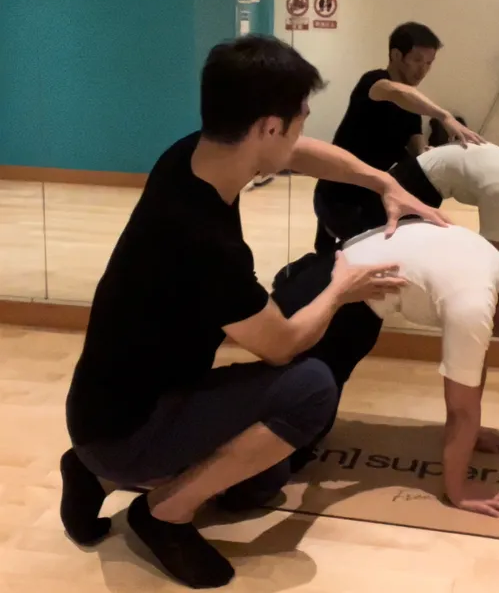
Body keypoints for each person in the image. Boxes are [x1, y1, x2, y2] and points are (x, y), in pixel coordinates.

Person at [60, 34, 449, 589]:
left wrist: (382, 180)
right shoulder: (202, 240)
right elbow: (282, 345)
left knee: (263, 480)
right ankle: (163, 513)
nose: (303, 127)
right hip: (129, 427)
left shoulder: (189, 157)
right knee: (312, 387)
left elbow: (301, 153)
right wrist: (340, 286)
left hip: (105, 407)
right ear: (269, 128)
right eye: (300, 116)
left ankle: (91, 474)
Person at [271, 219, 499, 518]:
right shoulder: (474, 302)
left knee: (314, 417)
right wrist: (458, 491)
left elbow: (471, 368)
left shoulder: (493, 266)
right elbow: (461, 411)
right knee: (288, 446)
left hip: (347, 295)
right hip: (326, 301)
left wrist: (474, 432)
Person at [313, 21, 484, 253]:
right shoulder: (373, 82)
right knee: (353, 253)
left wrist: (431, 154)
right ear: (396, 55)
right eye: (417, 60)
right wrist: (444, 116)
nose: (423, 70)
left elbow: (416, 146)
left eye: (429, 63)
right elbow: (395, 91)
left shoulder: (412, 106)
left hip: (367, 195)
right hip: (337, 198)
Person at [315, 140, 499, 253]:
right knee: (369, 234)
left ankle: (331, 226)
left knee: (376, 231)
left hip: (420, 177)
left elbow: (497, 234)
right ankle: (329, 224)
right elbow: (492, 246)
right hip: (417, 184)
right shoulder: (498, 186)